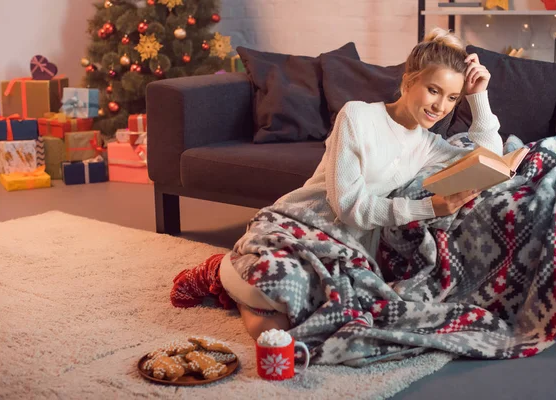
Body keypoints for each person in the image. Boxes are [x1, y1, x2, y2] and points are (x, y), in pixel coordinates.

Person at [171, 27, 504, 341]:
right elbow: (347, 206)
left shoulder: (428, 145)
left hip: (348, 249)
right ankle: (219, 271)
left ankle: (236, 284)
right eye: (434, 90)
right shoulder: (357, 116)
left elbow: (489, 159)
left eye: (451, 98)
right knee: (270, 292)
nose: (440, 107)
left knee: (293, 324)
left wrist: (480, 96)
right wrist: (427, 207)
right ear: (409, 80)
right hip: (299, 222)